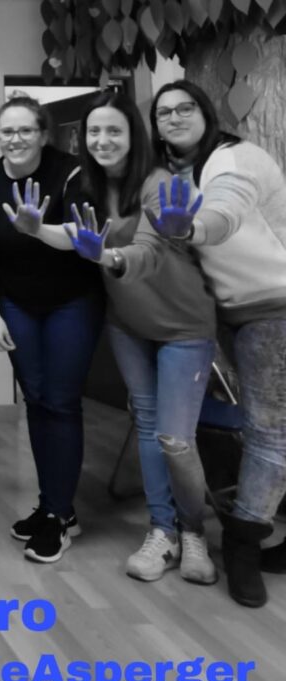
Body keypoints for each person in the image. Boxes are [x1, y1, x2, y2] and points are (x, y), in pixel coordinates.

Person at [21, 91, 218, 583]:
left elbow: (147, 251)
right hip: (128, 324)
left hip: (184, 325)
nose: (102, 140)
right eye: (94, 131)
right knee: (149, 426)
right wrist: (37, 230)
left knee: (175, 439)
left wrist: (107, 257)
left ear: (134, 135)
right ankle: (162, 531)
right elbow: (76, 235)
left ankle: (193, 531)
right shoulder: (86, 183)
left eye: (114, 130)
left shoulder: (158, 183)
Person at [143, 80, 286, 607]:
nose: (175, 118)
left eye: (185, 108)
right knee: (268, 428)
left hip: (273, 306)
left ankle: (243, 543)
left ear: (206, 113)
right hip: (220, 312)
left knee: (268, 429)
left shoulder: (234, 159)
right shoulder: (167, 172)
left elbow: (224, 212)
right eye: (164, 113)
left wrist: (191, 228)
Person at [0, 95, 103, 563]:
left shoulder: (70, 172)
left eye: (26, 130)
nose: (16, 139)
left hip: (72, 301)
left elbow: (81, 237)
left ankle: (58, 515)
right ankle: (53, 507)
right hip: (16, 304)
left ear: (44, 134)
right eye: (7, 131)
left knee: (61, 403)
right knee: (37, 399)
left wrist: (37, 229)